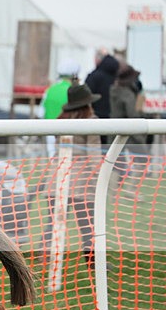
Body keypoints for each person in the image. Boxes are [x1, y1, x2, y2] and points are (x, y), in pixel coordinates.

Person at [41, 83, 102, 270]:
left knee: (52, 225)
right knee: (88, 226)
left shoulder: (62, 120)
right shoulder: (91, 121)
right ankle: (93, 263)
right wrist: (100, 178)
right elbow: (94, 156)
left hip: (57, 178)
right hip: (80, 183)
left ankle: (44, 260)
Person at [110, 64, 148, 195]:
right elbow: (133, 114)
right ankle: (130, 190)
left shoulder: (113, 90)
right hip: (129, 133)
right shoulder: (127, 94)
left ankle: (112, 192)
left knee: (116, 163)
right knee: (143, 159)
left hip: (114, 130)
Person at [41, 58, 79, 156]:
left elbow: (40, 113)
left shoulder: (49, 91)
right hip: (69, 132)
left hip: (50, 131)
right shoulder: (75, 91)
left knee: (53, 159)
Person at [85, 48, 119, 145]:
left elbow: (86, 97)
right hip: (116, 120)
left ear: (98, 59)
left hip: (97, 119)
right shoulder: (118, 75)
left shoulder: (94, 76)